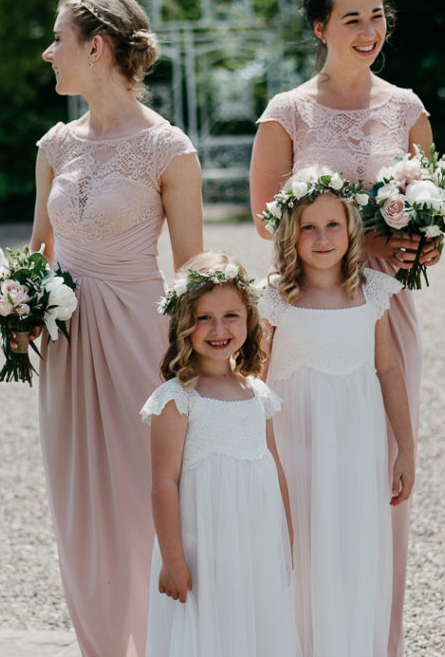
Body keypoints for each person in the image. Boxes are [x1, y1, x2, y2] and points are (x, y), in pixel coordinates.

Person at [248, 0, 437, 653]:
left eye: (378, 16)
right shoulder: (289, 112)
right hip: (306, 307)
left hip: (385, 304)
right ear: (320, 28)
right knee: (300, 466)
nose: (369, 31)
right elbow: (268, 214)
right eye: (352, 18)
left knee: (380, 465)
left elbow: (432, 215)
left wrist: (422, 242)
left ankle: (370, 638)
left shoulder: (408, 108)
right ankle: (297, 632)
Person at [18, 0, 203, 657]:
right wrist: (17, 311)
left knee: (144, 498)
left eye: (58, 39)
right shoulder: (54, 146)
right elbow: (37, 251)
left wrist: (204, 365)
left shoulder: (168, 149)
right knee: (79, 507)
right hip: (68, 349)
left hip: (140, 343)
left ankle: (165, 642)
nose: (48, 53)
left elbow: (192, 269)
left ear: (96, 47)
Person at [257, 168, 414, 657]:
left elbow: (388, 371)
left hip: (356, 443)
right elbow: (255, 381)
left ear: (352, 230)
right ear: (290, 233)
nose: (321, 238)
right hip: (294, 442)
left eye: (332, 226)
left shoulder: (372, 291)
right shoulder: (275, 296)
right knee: (301, 546)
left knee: (351, 545)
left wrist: (405, 447)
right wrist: (261, 456)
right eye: (308, 226)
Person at [141, 251, 301, 657]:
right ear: (183, 325)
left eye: (231, 315)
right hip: (201, 549)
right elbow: (164, 481)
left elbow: (273, 466)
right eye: (203, 318)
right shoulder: (177, 399)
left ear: (249, 319)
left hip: (253, 543)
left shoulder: (258, 393)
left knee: (252, 623)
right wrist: (173, 559)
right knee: (208, 626)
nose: (218, 328)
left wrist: (286, 538)